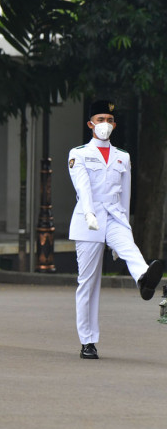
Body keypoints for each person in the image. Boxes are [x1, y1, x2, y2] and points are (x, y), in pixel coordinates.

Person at [67, 99, 163, 360]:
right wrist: (88, 212)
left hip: (114, 216)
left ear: (115, 124)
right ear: (90, 124)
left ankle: (144, 278)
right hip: (88, 219)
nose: (105, 124)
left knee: (130, 248)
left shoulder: (123, 157)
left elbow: (125, 196)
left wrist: (125, 229)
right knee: (88, 282)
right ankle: (88, 341)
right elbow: (82, 186)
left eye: (109, 121)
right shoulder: (79, 154)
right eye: (100, 120)